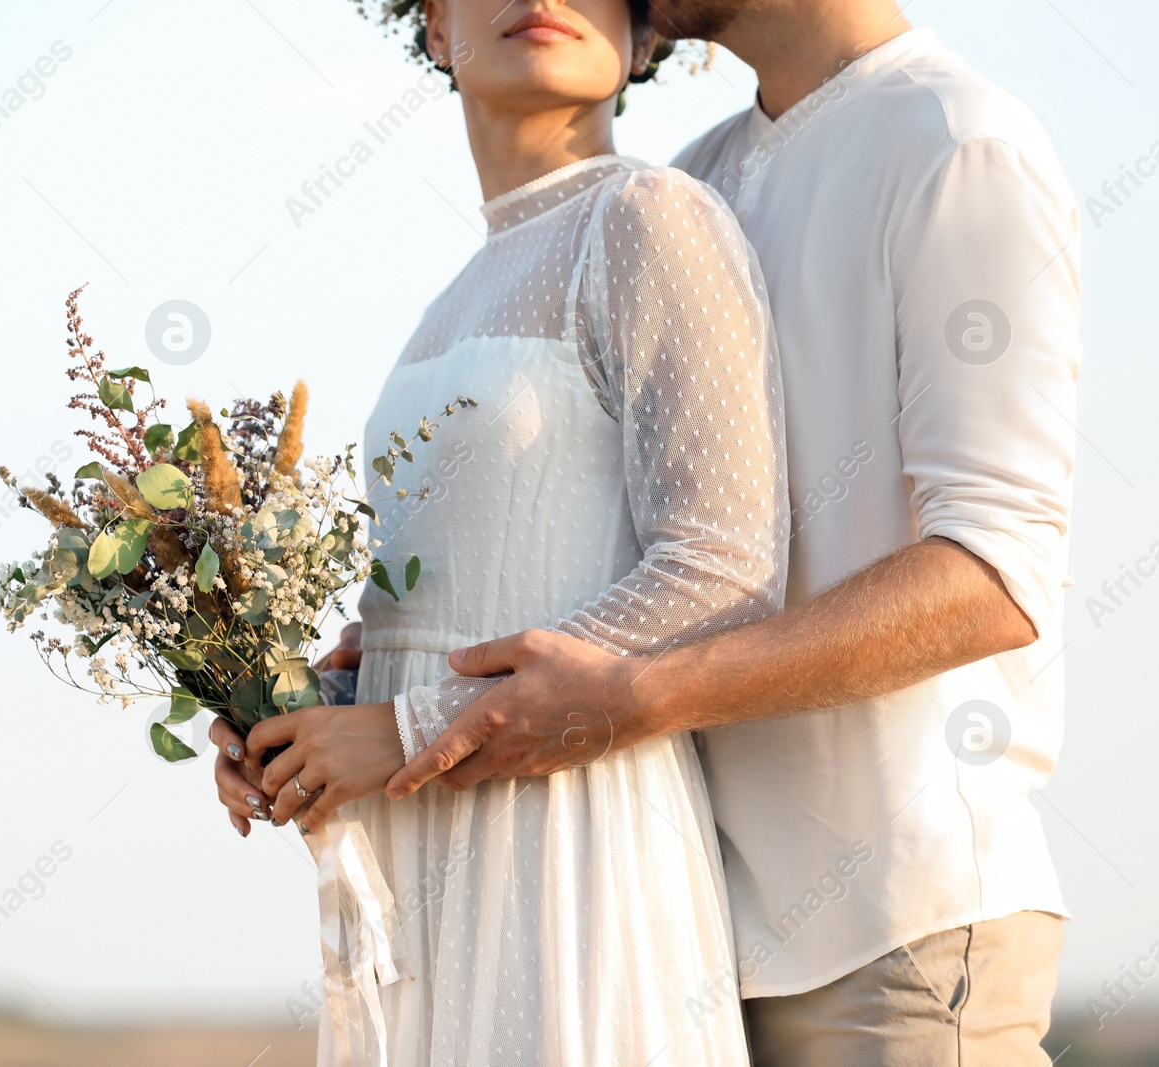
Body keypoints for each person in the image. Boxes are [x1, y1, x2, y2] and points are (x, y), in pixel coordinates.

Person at [376, 2, 1084, 1064]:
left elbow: (994, 571)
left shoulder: (953, 138)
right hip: (682, 920)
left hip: (891, 933)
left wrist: (631, 698)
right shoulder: (696, 175)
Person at [212, 1, 790, 1062]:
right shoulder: (448, 296)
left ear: (646, 35)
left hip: (571, 838)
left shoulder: (651, 214)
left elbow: (724, 564)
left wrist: (408, 725)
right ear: (433, 25)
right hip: (421, 843)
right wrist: (296, 712)